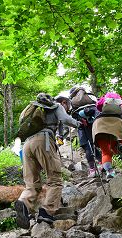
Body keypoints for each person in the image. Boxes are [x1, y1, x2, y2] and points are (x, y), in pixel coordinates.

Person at [15, 93, 81, 227]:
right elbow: (65, 119)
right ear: (62, 102)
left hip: (27, 144)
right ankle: (46, 212)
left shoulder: (31, 108)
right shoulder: (56, 106)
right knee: (54, 179)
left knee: (32, 183)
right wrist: (78, 124)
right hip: (43, 140)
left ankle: (23, 202)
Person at [91, 91, 122, 178]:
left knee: (106, 153)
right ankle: (119, 147)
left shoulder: (98, 112)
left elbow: (82, 113)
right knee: (115, 145)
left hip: (100, 129)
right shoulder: (121, 114)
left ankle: (110, 172)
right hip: (116, 128)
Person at [69, 87, 101, 178]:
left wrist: (80, 119)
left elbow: (72, 114)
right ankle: (103, 162)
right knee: (92, 144)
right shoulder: (90, 96)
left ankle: (92, 169)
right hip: (94, 123)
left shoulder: (74, 101)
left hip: (82, 126)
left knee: (87, 146)